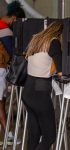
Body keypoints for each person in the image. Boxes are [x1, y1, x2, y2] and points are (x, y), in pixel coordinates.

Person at [22, 21, 63, 150]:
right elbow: (61, 71)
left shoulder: (37, 39)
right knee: (50, 136)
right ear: (60, 33)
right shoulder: (54, 42)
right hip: (40, 91)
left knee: (34, 133)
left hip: (28, 89)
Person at [0, 0, 25, 145]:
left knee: (1, 103)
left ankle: (7, 135)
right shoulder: (5, 30)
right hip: (0, 69)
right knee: (0, 104)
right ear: (15, 18)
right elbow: (12, 51)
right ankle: (9, 136)